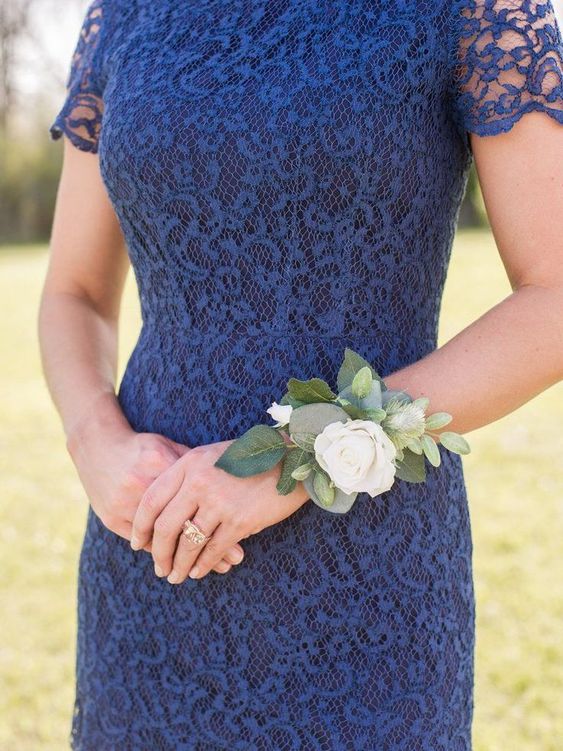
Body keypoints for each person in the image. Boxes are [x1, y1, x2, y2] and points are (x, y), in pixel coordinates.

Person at [38, 0, 563, 748]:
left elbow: (553, 296)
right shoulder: (123, 14)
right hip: (152, 556)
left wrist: (295, 461)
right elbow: (74, 292)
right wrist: (94, 442)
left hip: (366, 583)